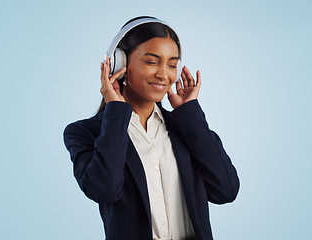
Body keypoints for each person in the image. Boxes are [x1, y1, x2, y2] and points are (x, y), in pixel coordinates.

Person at [63, 16, 239, 240]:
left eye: (172, 64)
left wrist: (190, 114)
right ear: (120, 64)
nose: (164, 74)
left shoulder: (184, 127)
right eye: (152, 61)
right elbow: (104, 189)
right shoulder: (84, 133)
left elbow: (226, 190)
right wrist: (115, 110)